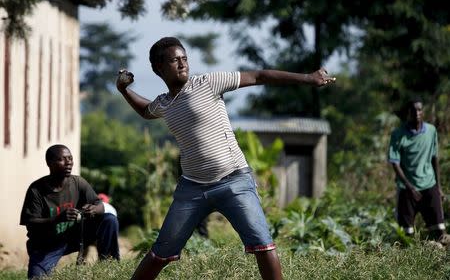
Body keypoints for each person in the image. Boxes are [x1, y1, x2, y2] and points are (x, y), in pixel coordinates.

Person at [116, 37, 336, 280]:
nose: (182, 64)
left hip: (234, 181)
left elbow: (259, 76)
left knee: (263, 245)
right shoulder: (165, 103)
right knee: (160, 253)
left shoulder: (209, 83)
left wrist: (308, 78)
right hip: (192, 188)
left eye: (185, 58)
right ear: (159, 68)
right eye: (174, 60)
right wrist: (123, 90)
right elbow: (146, 112)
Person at [20, 144, 120, 279]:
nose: (69, 163)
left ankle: (109, 266)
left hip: (75, 235)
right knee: (36, 278)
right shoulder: (36, 190)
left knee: (109, 220)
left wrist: (93, 209)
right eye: (62, 159)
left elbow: (99, 204)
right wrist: (57, 219)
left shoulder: (78, 182)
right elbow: (30, 222)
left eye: (70, 159)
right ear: (49, 163)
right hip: (47, 244)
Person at [388, 98, 449, 244]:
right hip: (407, 188)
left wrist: (438, 188)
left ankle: (437, 254)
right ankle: (412, 255)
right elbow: (395, 163)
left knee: (440, 231)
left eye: (419, 109)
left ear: (423, 112)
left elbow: (434, 158)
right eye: (413, 110)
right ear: (408, 113)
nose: (417, 113)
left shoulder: (431, 131)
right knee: (405, 236)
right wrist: (410, 187)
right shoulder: (398, 134)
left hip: (429, 183)